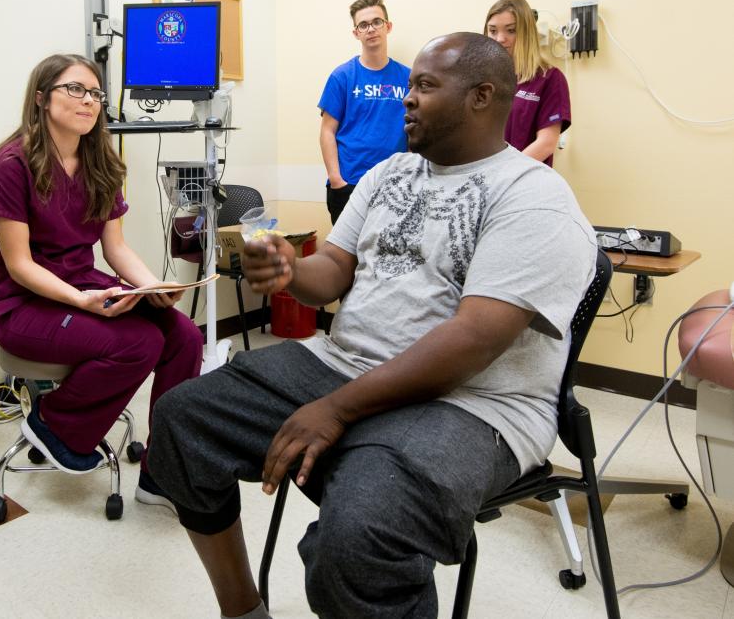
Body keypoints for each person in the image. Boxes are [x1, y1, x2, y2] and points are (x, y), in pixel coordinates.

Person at [148, 33, 598, 618]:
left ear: (482, 96)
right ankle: (243, 609)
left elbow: (473, 341)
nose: (406, 99)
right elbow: (333, 271)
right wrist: (291, 269)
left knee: (359, 539)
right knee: (183, 419)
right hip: (344, 365)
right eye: (410, 86)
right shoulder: (390, 173)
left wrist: (335, 410)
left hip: (473, 404)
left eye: (425, 87)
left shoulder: (533, 197)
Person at [0, 53, 203, 508]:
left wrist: (152, 287)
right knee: (139, 342)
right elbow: (18, 265)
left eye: (95, 93)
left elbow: (116, 249)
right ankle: (55, 423)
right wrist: (81, 299)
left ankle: (162, 473)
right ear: (40, 98)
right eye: (74, 89)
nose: (88, 100)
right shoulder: (11, 167)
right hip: (24, 306)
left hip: (84, 286)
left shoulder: (100, 164)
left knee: (184, 336)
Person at [318, 0, 411, 224]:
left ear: (388, 26)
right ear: (356, 33)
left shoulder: (408, 78)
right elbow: (327, 131)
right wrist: (337, 180)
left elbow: (417, 128)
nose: (371, 29)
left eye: (377, 22)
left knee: (392, 259)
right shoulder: (342, 76)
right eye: (363, 25)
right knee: (347, 259)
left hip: (395, 186)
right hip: (350, 185)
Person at [484, 0, 571, 167]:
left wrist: (505, 173)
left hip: (523, 179)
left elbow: (546, 143)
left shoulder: (550, 79)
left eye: (511, 30)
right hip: (483, 179)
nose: (500, 38)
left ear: (527, 33)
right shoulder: (481, 76)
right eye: (493, 31)